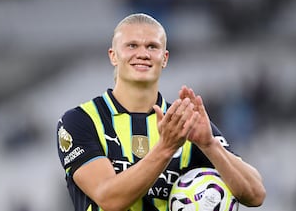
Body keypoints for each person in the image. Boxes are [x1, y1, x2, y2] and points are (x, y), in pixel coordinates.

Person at [56, 13, 266, 211]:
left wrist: (209, 145)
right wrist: (166, 148)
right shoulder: (80, 121)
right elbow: (109, 198)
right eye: (132, 45)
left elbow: (255, 195)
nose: (143, 54)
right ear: (113, 55)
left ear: (164, 58)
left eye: (152, 46)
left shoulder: (183, 122)